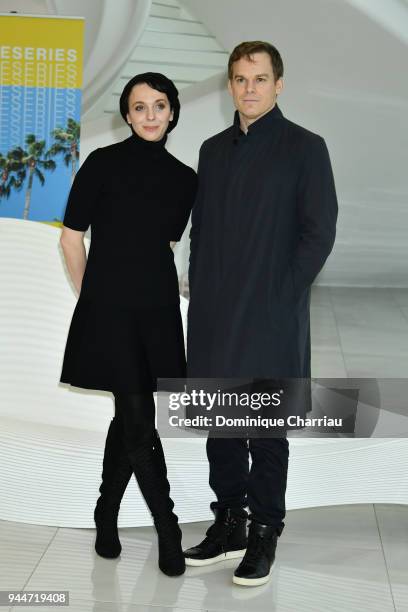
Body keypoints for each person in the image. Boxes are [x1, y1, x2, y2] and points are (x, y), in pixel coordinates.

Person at [184, 41, 338, 586]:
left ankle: (265, 530)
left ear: (279, 84)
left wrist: (283, 295)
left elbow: (318, 232)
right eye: (240, 78)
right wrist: (199, 291)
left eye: (260, 78)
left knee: (267, 429)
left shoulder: (305, 148)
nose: (249, 88)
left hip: (273, 313)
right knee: (221, 425)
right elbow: (201, 231)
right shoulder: (212, 149)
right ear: (230, 85)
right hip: (216, 313)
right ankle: (229, 524)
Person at [59, 72, 197, 577]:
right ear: (127, 113)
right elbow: (71, 239)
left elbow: (162, 247)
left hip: (157, 310)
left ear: (173, 111)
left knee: (132, 417)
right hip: (110, 312)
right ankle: (169, 528)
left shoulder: (186, 179)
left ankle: (105, 513)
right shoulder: (101, 164)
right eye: (139, 107)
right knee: (138, 419)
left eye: (159, 105)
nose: (150, 115)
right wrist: (89, 298)